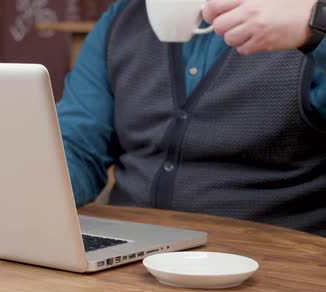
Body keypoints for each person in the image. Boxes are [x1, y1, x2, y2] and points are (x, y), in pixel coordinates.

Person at [56, 0, 326, 236]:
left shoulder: (302, 15)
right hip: (128, 254)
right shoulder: (121, 20)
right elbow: (76, 145)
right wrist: (37, 193)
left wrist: (317, 22)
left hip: (277, 262)